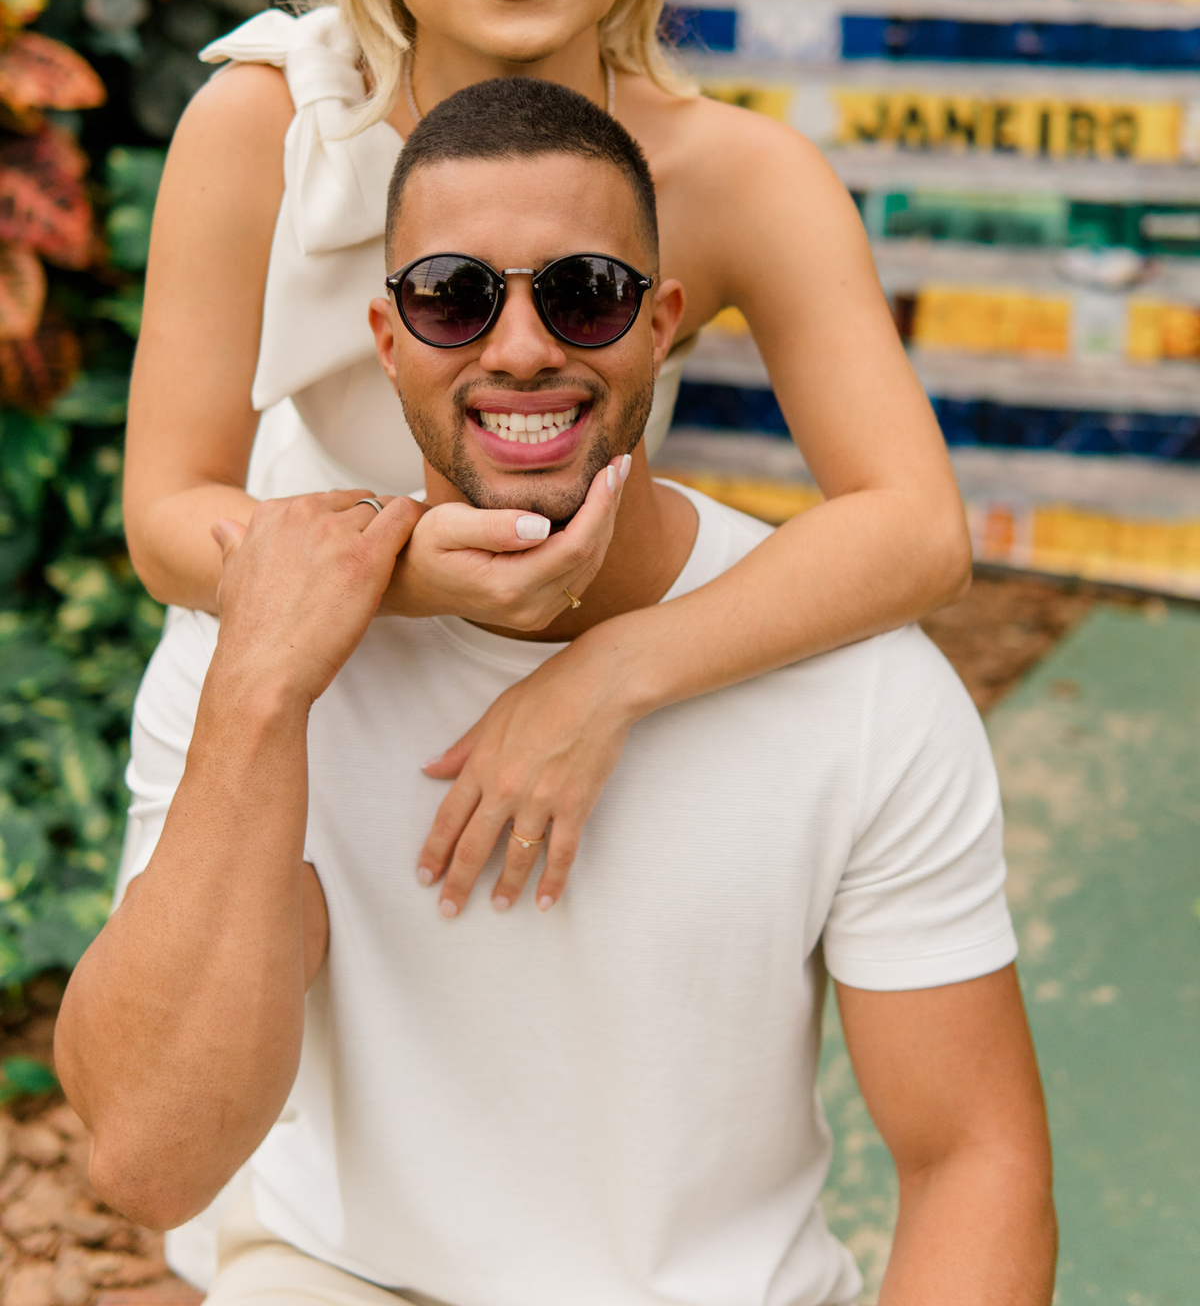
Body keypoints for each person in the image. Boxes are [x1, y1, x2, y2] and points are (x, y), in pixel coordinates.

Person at [63, 83, 1055, 1306]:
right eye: (452, 296)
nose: (522, 346)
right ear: (386, 337)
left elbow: (972, 1160)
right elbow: (150, 1160)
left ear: (661, 326)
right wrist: (265, 688)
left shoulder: (863, 691)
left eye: (585, 295)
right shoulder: (257, 652)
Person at [123, 0, 973, 922]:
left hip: (572, 690)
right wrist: (403, 578)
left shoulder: (736, 177)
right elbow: (166, 513)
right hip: (298, 677)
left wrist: (611, 673)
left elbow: (915, 526)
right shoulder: (259, 133)